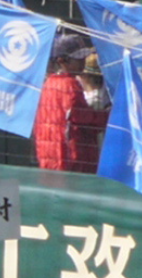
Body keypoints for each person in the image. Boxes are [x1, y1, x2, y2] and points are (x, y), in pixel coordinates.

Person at [34, 33, 105, 173]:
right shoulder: (70, 85)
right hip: (69, 158)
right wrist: (109, 117)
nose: (82, 62)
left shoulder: (49, 83)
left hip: (49, 155)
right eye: (77, 59)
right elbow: (85, 119)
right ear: (62, 60)